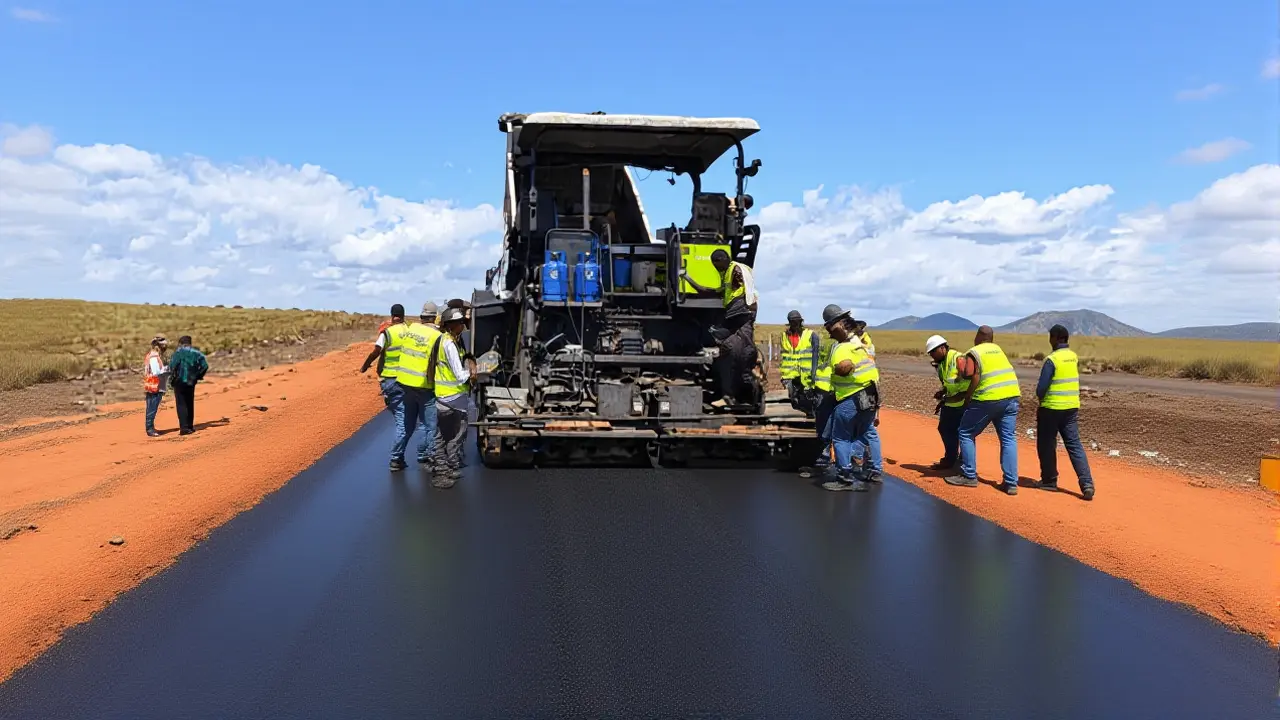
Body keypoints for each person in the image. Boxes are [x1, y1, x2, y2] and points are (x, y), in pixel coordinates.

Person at [946, 325, 1021, 495]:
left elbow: (973, 374)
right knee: (1008, 438)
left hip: (988, 398)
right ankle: (1011, 483)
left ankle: (969, 475)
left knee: (965, 432)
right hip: (1011, 396)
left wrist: (967, 398)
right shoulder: (998, 350)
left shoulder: (975, 351)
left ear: (978, 337)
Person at [819, 304, 880, 492]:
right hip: (871, 396)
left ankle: (844, 477)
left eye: (830, 328)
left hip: (852, 398)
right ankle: (874, 470)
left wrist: (841, 369)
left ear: (839, 325)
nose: (829, 332)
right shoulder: (862, 345)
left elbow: (844, 366)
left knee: (840, 437)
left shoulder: (842, 348)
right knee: (867, 431)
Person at [1036, 325, 1095, 501]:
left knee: (1046, 445)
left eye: (1050, 337)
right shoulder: (1072, 357)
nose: (1049, 340)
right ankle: (1087, 484)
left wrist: (1040, 398)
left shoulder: (1051, 360)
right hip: (1071, 408)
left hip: (1051, 408)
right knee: (1074, 445)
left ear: (1055, 338)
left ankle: (1049, 480)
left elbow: (1041, 388)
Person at [389, 303, 442, 471]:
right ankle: (425, 456)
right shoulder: (437, 335)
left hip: (404, 383)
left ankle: (396, 459)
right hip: (424, 386)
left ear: (421, 316)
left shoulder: (411, 330)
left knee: (407, 424)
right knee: (428, 425)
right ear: (435, 317)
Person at [428, 307, 475, 488]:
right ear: (451, 325)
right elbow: (459, 375)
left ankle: (444, 466)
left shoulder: (448, 341)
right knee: (457, 434)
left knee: (443, 435)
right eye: (460, 323)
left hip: (443, 397)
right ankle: (444, 469)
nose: (463, 325)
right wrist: (476, 371)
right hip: (452, 398)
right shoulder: (449, 344)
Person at [925, 334, 968, 470]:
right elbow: (948, 383)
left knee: (963, 433)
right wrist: (942, 392)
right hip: (950, 403)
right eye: (930, 353)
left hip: (963, 402)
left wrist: (956, 398)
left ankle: (963, 462)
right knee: (944, 429)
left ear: (942, 348)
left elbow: (969, 383)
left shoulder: (959, 359)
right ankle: (951, 459)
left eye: (933, 352)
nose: (932, 355)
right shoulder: (942, 363)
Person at [360, 303, 410, 417]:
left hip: (390, 377)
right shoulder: (410, 331)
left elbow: (376, 351)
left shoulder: (388, 332)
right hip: (408, 376)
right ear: (403, 316)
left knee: (399, 412)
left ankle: (403, 434)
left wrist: (365, 366)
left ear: (392, 316)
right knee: (405, 409)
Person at [798, 334, 834, 479]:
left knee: (826, 428)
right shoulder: (831, 346)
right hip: (823, 390)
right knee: (824, 426)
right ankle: (825, 459)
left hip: (826, 391)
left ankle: (825, 461)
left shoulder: (833, 348)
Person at [167, 335, 208, 436]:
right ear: (190, 343)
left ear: (181, 343)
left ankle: (184, 427)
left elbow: (172, 367)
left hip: (179, 381)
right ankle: (190, 426)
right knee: (190, 403)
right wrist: (198, 375)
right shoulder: (196, 353)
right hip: (191, 381)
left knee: (181, 404)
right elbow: (205, 366)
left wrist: (170, 379)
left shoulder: (177, 353)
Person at [779, 310, 819, 408]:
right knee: (794, 401)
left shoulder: (810, 334)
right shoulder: (784, 335)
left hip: (806, 374)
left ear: (801, 322)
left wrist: (814, 372)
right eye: (792, 322)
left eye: (797, 321)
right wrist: (784, 375)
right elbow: (785, 354)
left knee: (808, 398)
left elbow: (815, 354)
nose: (795, 324)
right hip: (790, 374)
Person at [143, 334, 169, 437]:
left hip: (151, 384)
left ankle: (150, 427)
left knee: (151, 406)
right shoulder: (154, 356)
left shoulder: (151, 354)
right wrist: (167, 370)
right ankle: (150, 429)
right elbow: (156, 372)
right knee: (152, 407)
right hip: (155, 385)